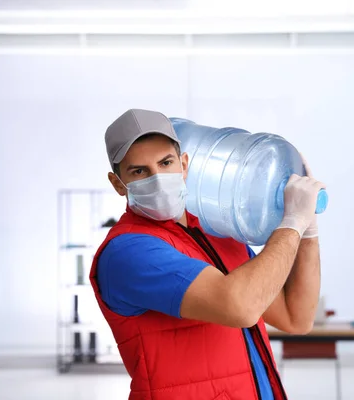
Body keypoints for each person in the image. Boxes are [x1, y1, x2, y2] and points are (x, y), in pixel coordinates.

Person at [89, 108, 325, 400]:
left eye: (166, 163)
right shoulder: (129, 252)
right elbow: (241, 307)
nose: (158, 178)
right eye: (140, 171)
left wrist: (307, 230)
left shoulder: (219, 237)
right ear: (117, 184)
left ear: (184, 165)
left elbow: (296, 317)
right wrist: (291, 225)